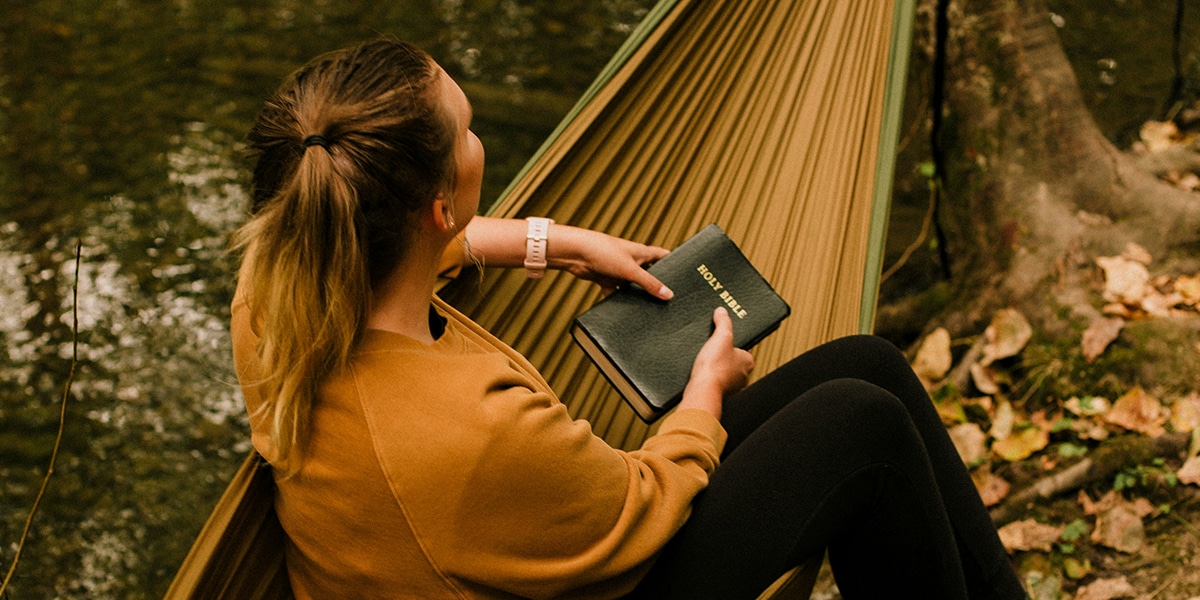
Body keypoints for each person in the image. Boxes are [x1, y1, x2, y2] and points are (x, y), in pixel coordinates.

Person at [230, 39, 1026, 599]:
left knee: (868, 364)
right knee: (862, 425)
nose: (477, 139)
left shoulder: (277, 295)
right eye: (468, 128)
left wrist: (554, 242)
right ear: (436, 205)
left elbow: (422, 240)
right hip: (604, 551)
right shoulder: (472, 428)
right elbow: (643, 500)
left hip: (479, 551)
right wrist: (703, 398)